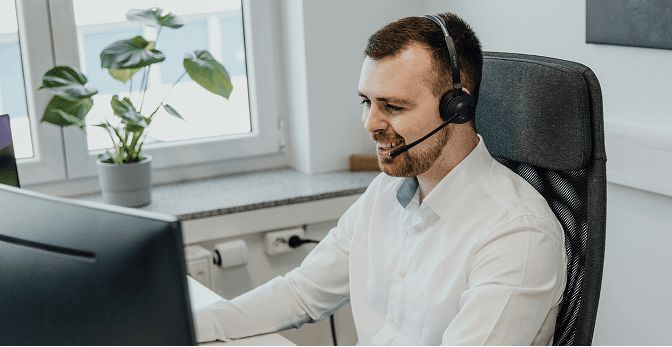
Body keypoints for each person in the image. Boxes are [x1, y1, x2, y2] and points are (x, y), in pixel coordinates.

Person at [193, 13, 566, 345]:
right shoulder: (385, 191)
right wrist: (191, 326)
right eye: (366, 102)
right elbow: (302, 292)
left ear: (457, 107)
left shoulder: (517, 234)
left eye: (393, 106)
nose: (371, 124)